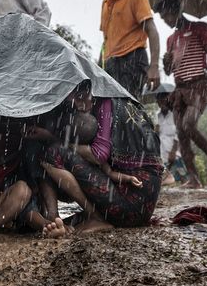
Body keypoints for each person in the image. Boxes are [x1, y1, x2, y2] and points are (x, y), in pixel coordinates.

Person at [39, 82, 162, 237]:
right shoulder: (121, 101)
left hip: (128, 206)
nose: (78, 105)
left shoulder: (106, 102)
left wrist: (54, 138)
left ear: (93, 90)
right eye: (73, 101)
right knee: (70, 224)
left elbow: (99, 154)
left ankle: (95, 217)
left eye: (81, 97)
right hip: (139, 208)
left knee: (52, 152)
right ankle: (56, 221)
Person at [155, 0, 207, 188]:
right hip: (180, 88)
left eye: (166, 16)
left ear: (175, 11)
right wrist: (166, 62)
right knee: (182, 133)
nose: (165, 21)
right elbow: (170, 71)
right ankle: (193, 178)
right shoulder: (171, 40)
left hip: (199, 84)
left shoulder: (200, 28)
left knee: (188, 124)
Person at [98, 0, 160, 98]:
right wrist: (98, 68)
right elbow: (105, 40)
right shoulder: (105, 3)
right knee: (111, 111)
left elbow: (152, 31)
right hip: (111, 63)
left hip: (132, 60)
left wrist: (154, 66)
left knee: (128, 108)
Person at [154, 90, 188, 186]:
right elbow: (155, 136)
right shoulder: (156, 116)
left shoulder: (175, 114)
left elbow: (179, 133)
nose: (162, 103)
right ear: (157, 102)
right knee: (165, 177)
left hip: (175, 150)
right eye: (160, 101)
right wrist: (155, 131)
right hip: (162, 150)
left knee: (183, 176)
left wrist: (173, 151)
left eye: (164, 100)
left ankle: (190, 192)